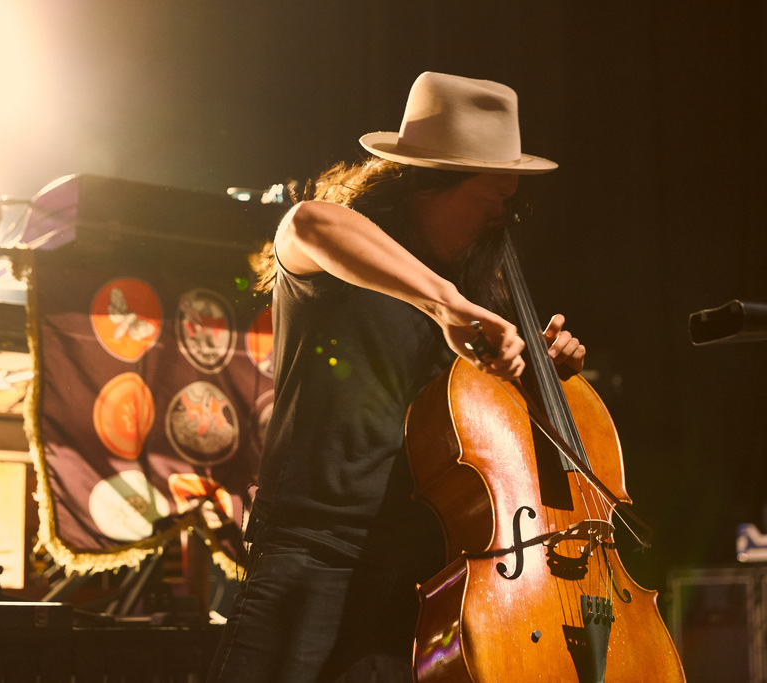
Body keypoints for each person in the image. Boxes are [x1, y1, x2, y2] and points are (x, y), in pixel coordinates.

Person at [207, 72, 585, 682]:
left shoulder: (474, 296)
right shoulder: (346, 252)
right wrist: (446, 304)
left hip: (419, 573)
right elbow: (307, 223)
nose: (501, 221)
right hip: (315, 549)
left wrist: (542, 375)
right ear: (426, 186)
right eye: (491, 202)